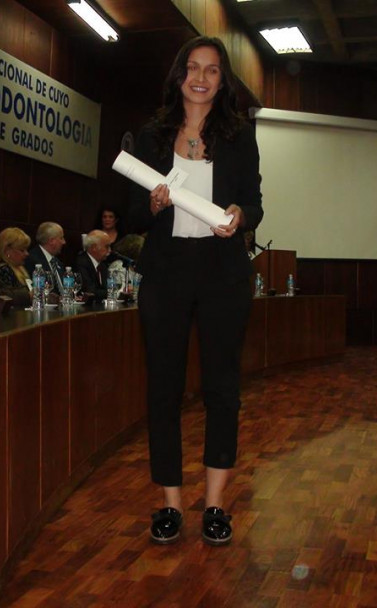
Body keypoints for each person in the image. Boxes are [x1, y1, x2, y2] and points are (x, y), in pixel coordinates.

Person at [126, 36, 263, 546]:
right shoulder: (151, 135)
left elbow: (255, 203)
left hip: (223, 273)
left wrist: (240, 215)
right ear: (179, 74)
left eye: (212, 70)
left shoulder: (238, 135)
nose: (201, 78)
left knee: (222, 389)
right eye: (193, 68)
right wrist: (155, 205)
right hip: (166, 273)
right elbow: (132, 213)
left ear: (222, 80)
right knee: (162, 389)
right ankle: (168, 505)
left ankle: (215, 505)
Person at [0, 227, 32, 307]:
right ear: (7, 251)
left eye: (26, 250)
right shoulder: (3, 270)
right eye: (22, 250)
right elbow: (9, 299)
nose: (27, 254)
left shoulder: (21, 268)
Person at [24, 221, 66, 294]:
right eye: (61, 238)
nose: (64, 242)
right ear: (51, 241)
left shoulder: (57, 262)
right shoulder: (32, 260)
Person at [76, 230, 111, 300]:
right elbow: (90, 291)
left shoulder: (102, 265)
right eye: (107, 247)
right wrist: (113, 292)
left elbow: (107, 288)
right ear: (93, 247)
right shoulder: (81, 263)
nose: (110, 250)